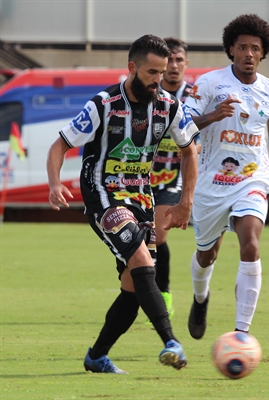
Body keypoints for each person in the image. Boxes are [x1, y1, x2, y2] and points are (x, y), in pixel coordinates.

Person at [46, 34, 199, 373]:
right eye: (151, 72)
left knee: (133, 287)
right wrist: (55, 183)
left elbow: (190, 149)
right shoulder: (104, 103)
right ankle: (171, 341)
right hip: (104, 196)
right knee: (143, 261)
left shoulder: (169, 106)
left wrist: (186, 201)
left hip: (142, 199)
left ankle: (96, 356)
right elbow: (59, 145)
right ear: (132, 67)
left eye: (162, 73)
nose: (159, 80)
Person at [183, 14, 269, 339]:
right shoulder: (208, 84)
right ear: (231, 49)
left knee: (250, 245)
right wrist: (213, 116)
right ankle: (200, 297)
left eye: (255, 48)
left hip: (252, 180)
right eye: (243, 47)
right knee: (208, 254)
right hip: (211, 184)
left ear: (263, 53)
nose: (249, 53)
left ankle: (241, 334)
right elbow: (182, 129)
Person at [149, 37, 200, 322]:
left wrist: (193, 146)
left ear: (185, 64)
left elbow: (199, 139)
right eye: (170, 61)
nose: (174, 66)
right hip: (141, 176)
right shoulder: (148, 92)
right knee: (144, 240)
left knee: (158, 233)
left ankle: (163, 292)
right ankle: (146, 290)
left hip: (173, 177)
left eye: (180, 60)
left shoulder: (194, 96)